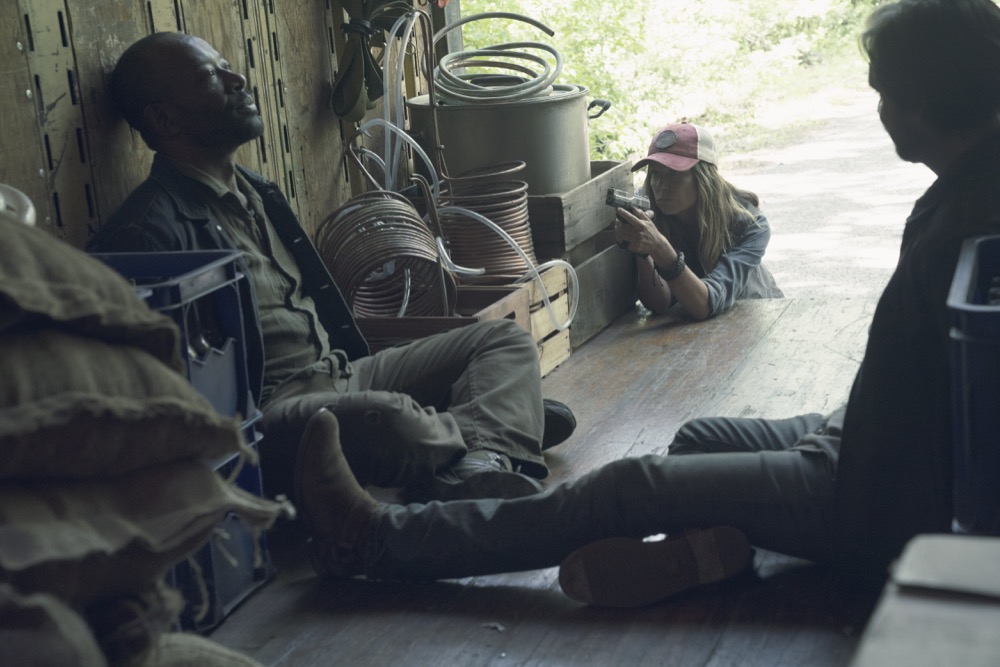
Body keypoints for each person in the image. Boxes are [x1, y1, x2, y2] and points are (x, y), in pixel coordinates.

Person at [285, 0, 1000, 607]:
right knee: (696, 441)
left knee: (629, 485)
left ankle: (375, 538)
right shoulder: (971, 182)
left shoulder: (976, 211)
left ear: (926, 97)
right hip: (859, 434)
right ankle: (705, 557)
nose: (878, 112)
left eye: (884, 94)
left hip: (871, 490)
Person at [86, 31, 576, 504]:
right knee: (387, 418)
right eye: (209, 77)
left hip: (345, 375)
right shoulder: (146, 234)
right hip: (272, 417)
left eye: (227, 67)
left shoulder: (256, 192)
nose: (237, 80)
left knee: (504, 339)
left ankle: (478, 446)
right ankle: (495, 427)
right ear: (166, 120)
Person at [614, 122, 783, 320]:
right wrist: (643, 252)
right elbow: (660, 304)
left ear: (704, 178)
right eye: (656, 174)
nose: (662, 186)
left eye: (674, 175)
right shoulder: (649, 208)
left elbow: (707, 303)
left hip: (756, 319)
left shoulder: (750, 225)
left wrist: (660, 248)